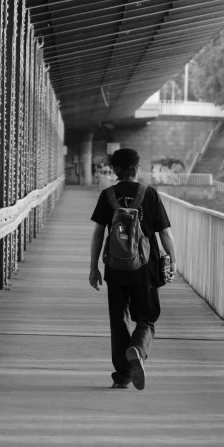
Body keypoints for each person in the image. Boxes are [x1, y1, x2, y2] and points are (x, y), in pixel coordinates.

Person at [89, 148, 175, 389]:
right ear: (137, 169)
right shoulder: (149, 195)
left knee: (118, 320)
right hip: (146, 268)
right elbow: (164, 233)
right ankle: (137, 348)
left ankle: (122, 377)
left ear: (115, 170)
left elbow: (98, 234)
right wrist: (173, 259)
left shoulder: (108, 195)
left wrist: (94, 267)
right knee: (146, 318)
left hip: (115, 268)